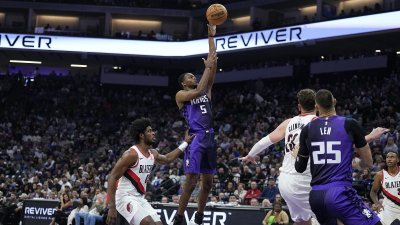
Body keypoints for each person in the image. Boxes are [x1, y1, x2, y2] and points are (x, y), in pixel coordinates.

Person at [241, 89, 387, 225]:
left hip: (285, 181)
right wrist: (369, 137)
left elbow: (265, 140)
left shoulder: (288, 122)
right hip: (307, 182)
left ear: (299, 106)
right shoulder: (315, 124)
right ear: (316, 106)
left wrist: (250, 155)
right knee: (338, 215)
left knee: (302, 221)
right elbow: (340, 145)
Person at [295, 89, 382, 225]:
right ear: (334, 101)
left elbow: (299, 167)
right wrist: (358, 164)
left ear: (316, 106)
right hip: (339, 193)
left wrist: (297, 154)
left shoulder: (307, 129)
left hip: (316, 197)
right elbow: (369, 162)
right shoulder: (349, 124)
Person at [106, 118, 195, 225]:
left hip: (139, 198)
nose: (153, 133)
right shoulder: (131, 154)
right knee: (148, 223)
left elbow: (168, 158)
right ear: (141, 135)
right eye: (149, 131)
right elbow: (112, 177)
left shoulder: (153, 153)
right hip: (125, 197)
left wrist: (185, 143)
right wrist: (112, 207)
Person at [171, 23, 218, 225]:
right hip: (196, 138)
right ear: (183, 83)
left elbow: (213, 60)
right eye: (190, 76)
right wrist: (207, 66)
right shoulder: (182, 95)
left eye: (194, 74)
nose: (193, 76)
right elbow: (198, 90)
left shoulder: (206, 91)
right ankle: (179, 218)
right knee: (191, 182)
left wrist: (211, 36)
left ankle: (199, 217)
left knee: (207, 184)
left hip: (210, 136)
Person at [370, 150, 400, 225]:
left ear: (398, 159)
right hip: (388, 210)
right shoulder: (380, 175)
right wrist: (377, 204)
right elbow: (373, 192)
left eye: (392, 157)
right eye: (387, 157)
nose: (389, 159)